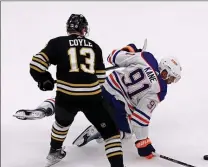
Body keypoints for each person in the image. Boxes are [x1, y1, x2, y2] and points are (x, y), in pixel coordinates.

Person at [15, 43, 182, 160]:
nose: (171, 81)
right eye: (171, 77)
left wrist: (132, 50)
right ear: (165, 70)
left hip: (103, 88)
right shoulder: (160, 90)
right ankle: (100, 129)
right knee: (127, 134)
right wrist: (144, 146)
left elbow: (113, 56)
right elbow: (140, 118)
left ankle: (45, 108)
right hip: (118, 107)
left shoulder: (147, 58)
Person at [28, 13, 133, 167]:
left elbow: (36, 64)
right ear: (84, 29)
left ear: (68, 29)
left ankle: (54, 151)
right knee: (111, 133)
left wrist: (44, 80)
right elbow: (99, 79)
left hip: (66, 97)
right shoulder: (94, 46)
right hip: (92, 99)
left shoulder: (57, 43)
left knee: (61, 124)